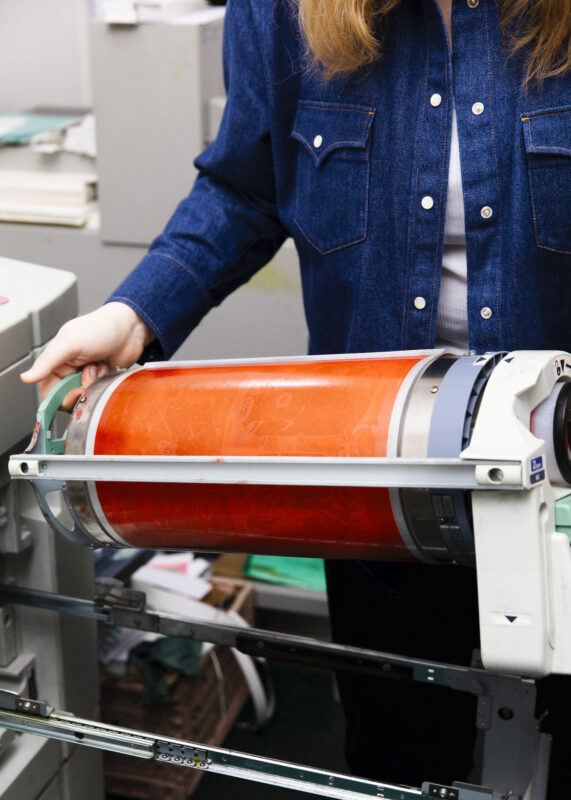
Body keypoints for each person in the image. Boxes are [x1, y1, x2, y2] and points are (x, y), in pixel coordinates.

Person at [21, 0, 571, 794]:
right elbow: (244, 190)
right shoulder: (285, 11)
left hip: (560, 483)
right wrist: (132, 313)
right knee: (397, 753)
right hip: (379, 480)